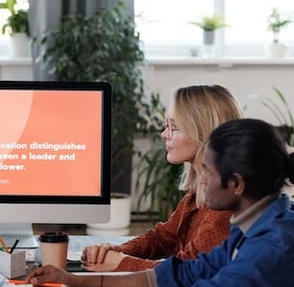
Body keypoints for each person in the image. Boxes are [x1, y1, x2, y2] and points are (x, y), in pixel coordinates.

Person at [25, 118, 294, 287]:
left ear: (236, 184)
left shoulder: (274, 246)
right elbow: (184, 275)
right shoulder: (251, 225)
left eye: (208, 173)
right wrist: (79, 284)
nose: (200, 180)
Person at [83, 84, 243, 272]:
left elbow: (187, 271)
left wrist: (120, 263)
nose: (164, 134)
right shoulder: (197, 194)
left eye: (174, 127)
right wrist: (116, 251)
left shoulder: (224, 205)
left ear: (203, 133)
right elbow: (163, 238)